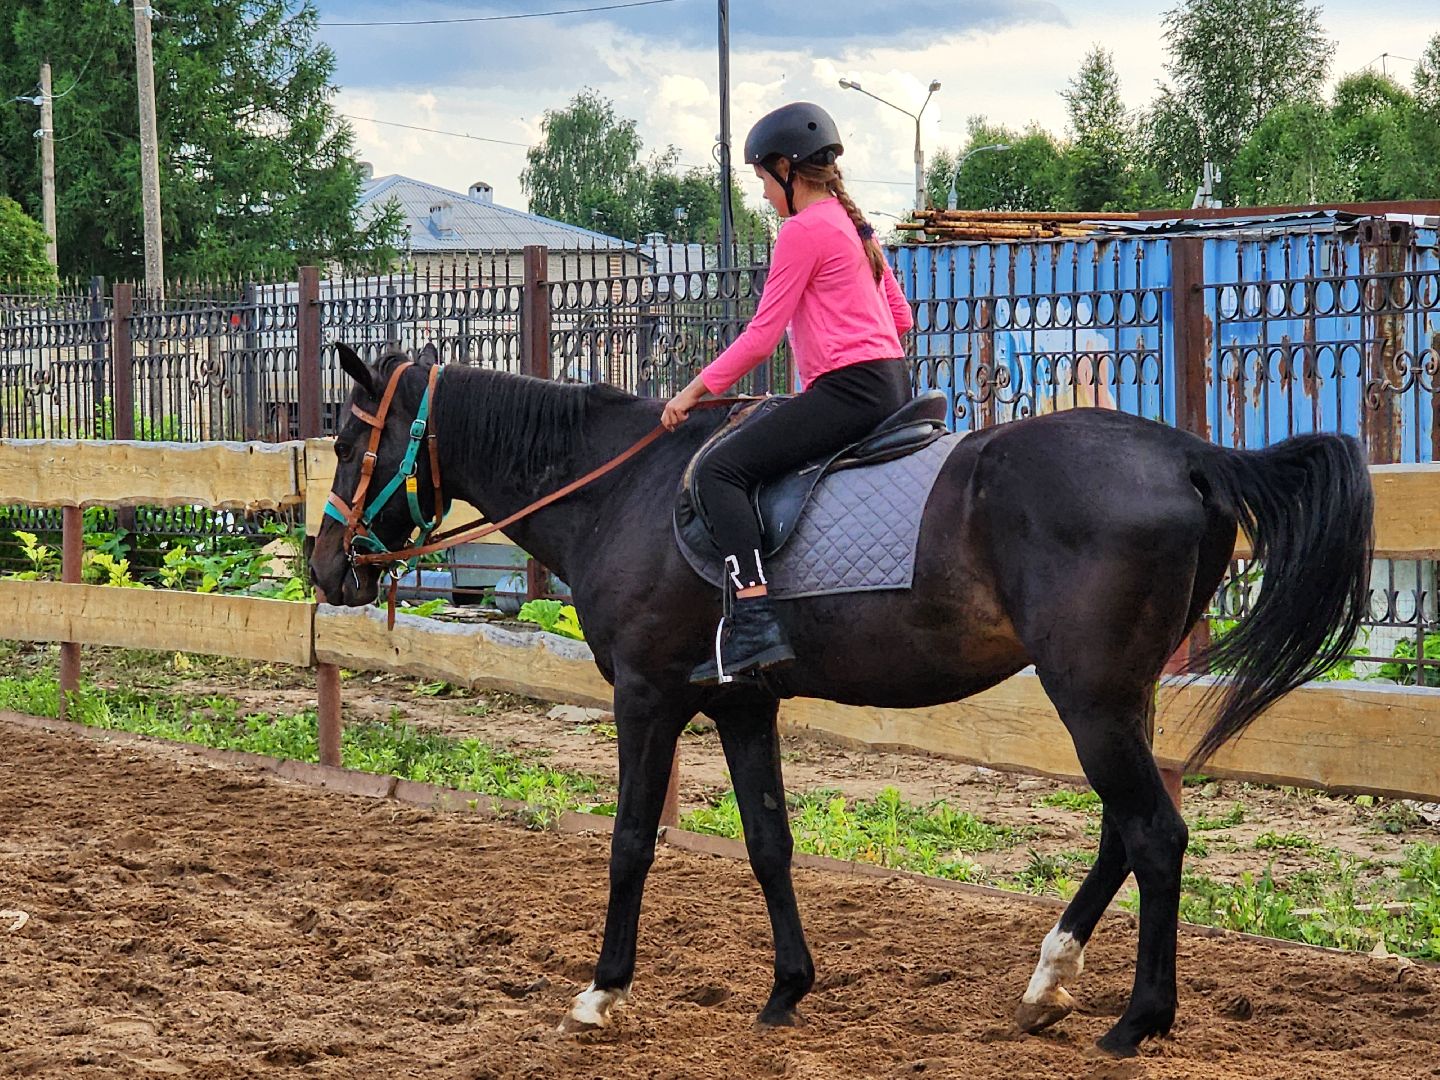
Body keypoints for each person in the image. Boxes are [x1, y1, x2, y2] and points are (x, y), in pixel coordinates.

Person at [662, 100, 915, 686]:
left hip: (849, 391)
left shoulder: (803, 231)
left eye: (763, 184)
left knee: (719, 472)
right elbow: (898, 318)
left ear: (785, 168)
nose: (766, 200)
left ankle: (753, 618)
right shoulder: (855, 226)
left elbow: (760, 338)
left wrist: (692, 393)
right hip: (890, 382)